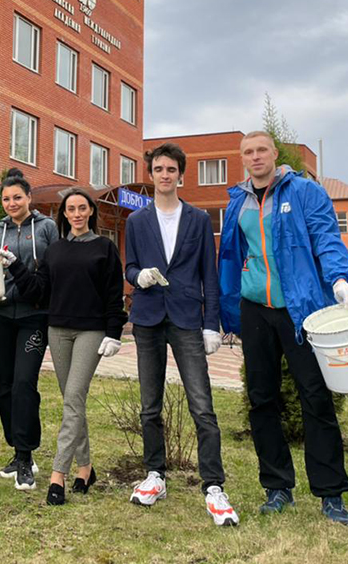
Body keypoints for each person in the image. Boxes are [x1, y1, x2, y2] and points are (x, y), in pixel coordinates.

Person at [218, 131, 348, 525]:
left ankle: (331, 494)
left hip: (300, 310)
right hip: (255, 310)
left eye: (261, 150)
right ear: (242, 158)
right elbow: (232, 255)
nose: (255, 157)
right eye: (248, 152)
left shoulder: (304, 192)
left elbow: (326, 237)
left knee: (315, 397)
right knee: (261, 399)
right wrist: (227, 310)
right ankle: (277, 487)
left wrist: (339, 279)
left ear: (275, 154)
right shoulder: (238, 201)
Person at [125, 142, 238, 527]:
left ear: (180, 175)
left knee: (202, 405)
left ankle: (213, 485)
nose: (165, 175)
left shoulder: (198, 219)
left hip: (188, 318)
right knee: (149, 405)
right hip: (148, 318)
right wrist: (137, 276)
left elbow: (209, 273)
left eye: (171, 169)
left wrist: (211, 323)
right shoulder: (136, 221)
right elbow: (130, 266)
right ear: (151, 174)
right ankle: (155, 475)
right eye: (158, 169)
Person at [4, 187, 125, 505]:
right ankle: (85, 469)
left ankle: (58, 476)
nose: (77, 214)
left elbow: (114, 294)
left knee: (73, 398)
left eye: (82, 208)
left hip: (91, 332)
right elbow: (38, 290)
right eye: (71, 209)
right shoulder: (55, 250)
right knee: (74, 402)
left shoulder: (105, 248)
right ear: (64, 214)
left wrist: (114, 332)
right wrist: (15, 266)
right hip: (57, 330)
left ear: (91, 211)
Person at [0, 168, 58, 490]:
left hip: (34, 316)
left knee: (24, 383)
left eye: (17, 197)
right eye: (6, 199)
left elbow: (54, 271)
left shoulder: (46, 228)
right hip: (2, 316)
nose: (11, 203)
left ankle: (26, 456)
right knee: (4, 384)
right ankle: (16, 448)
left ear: (29, 198)